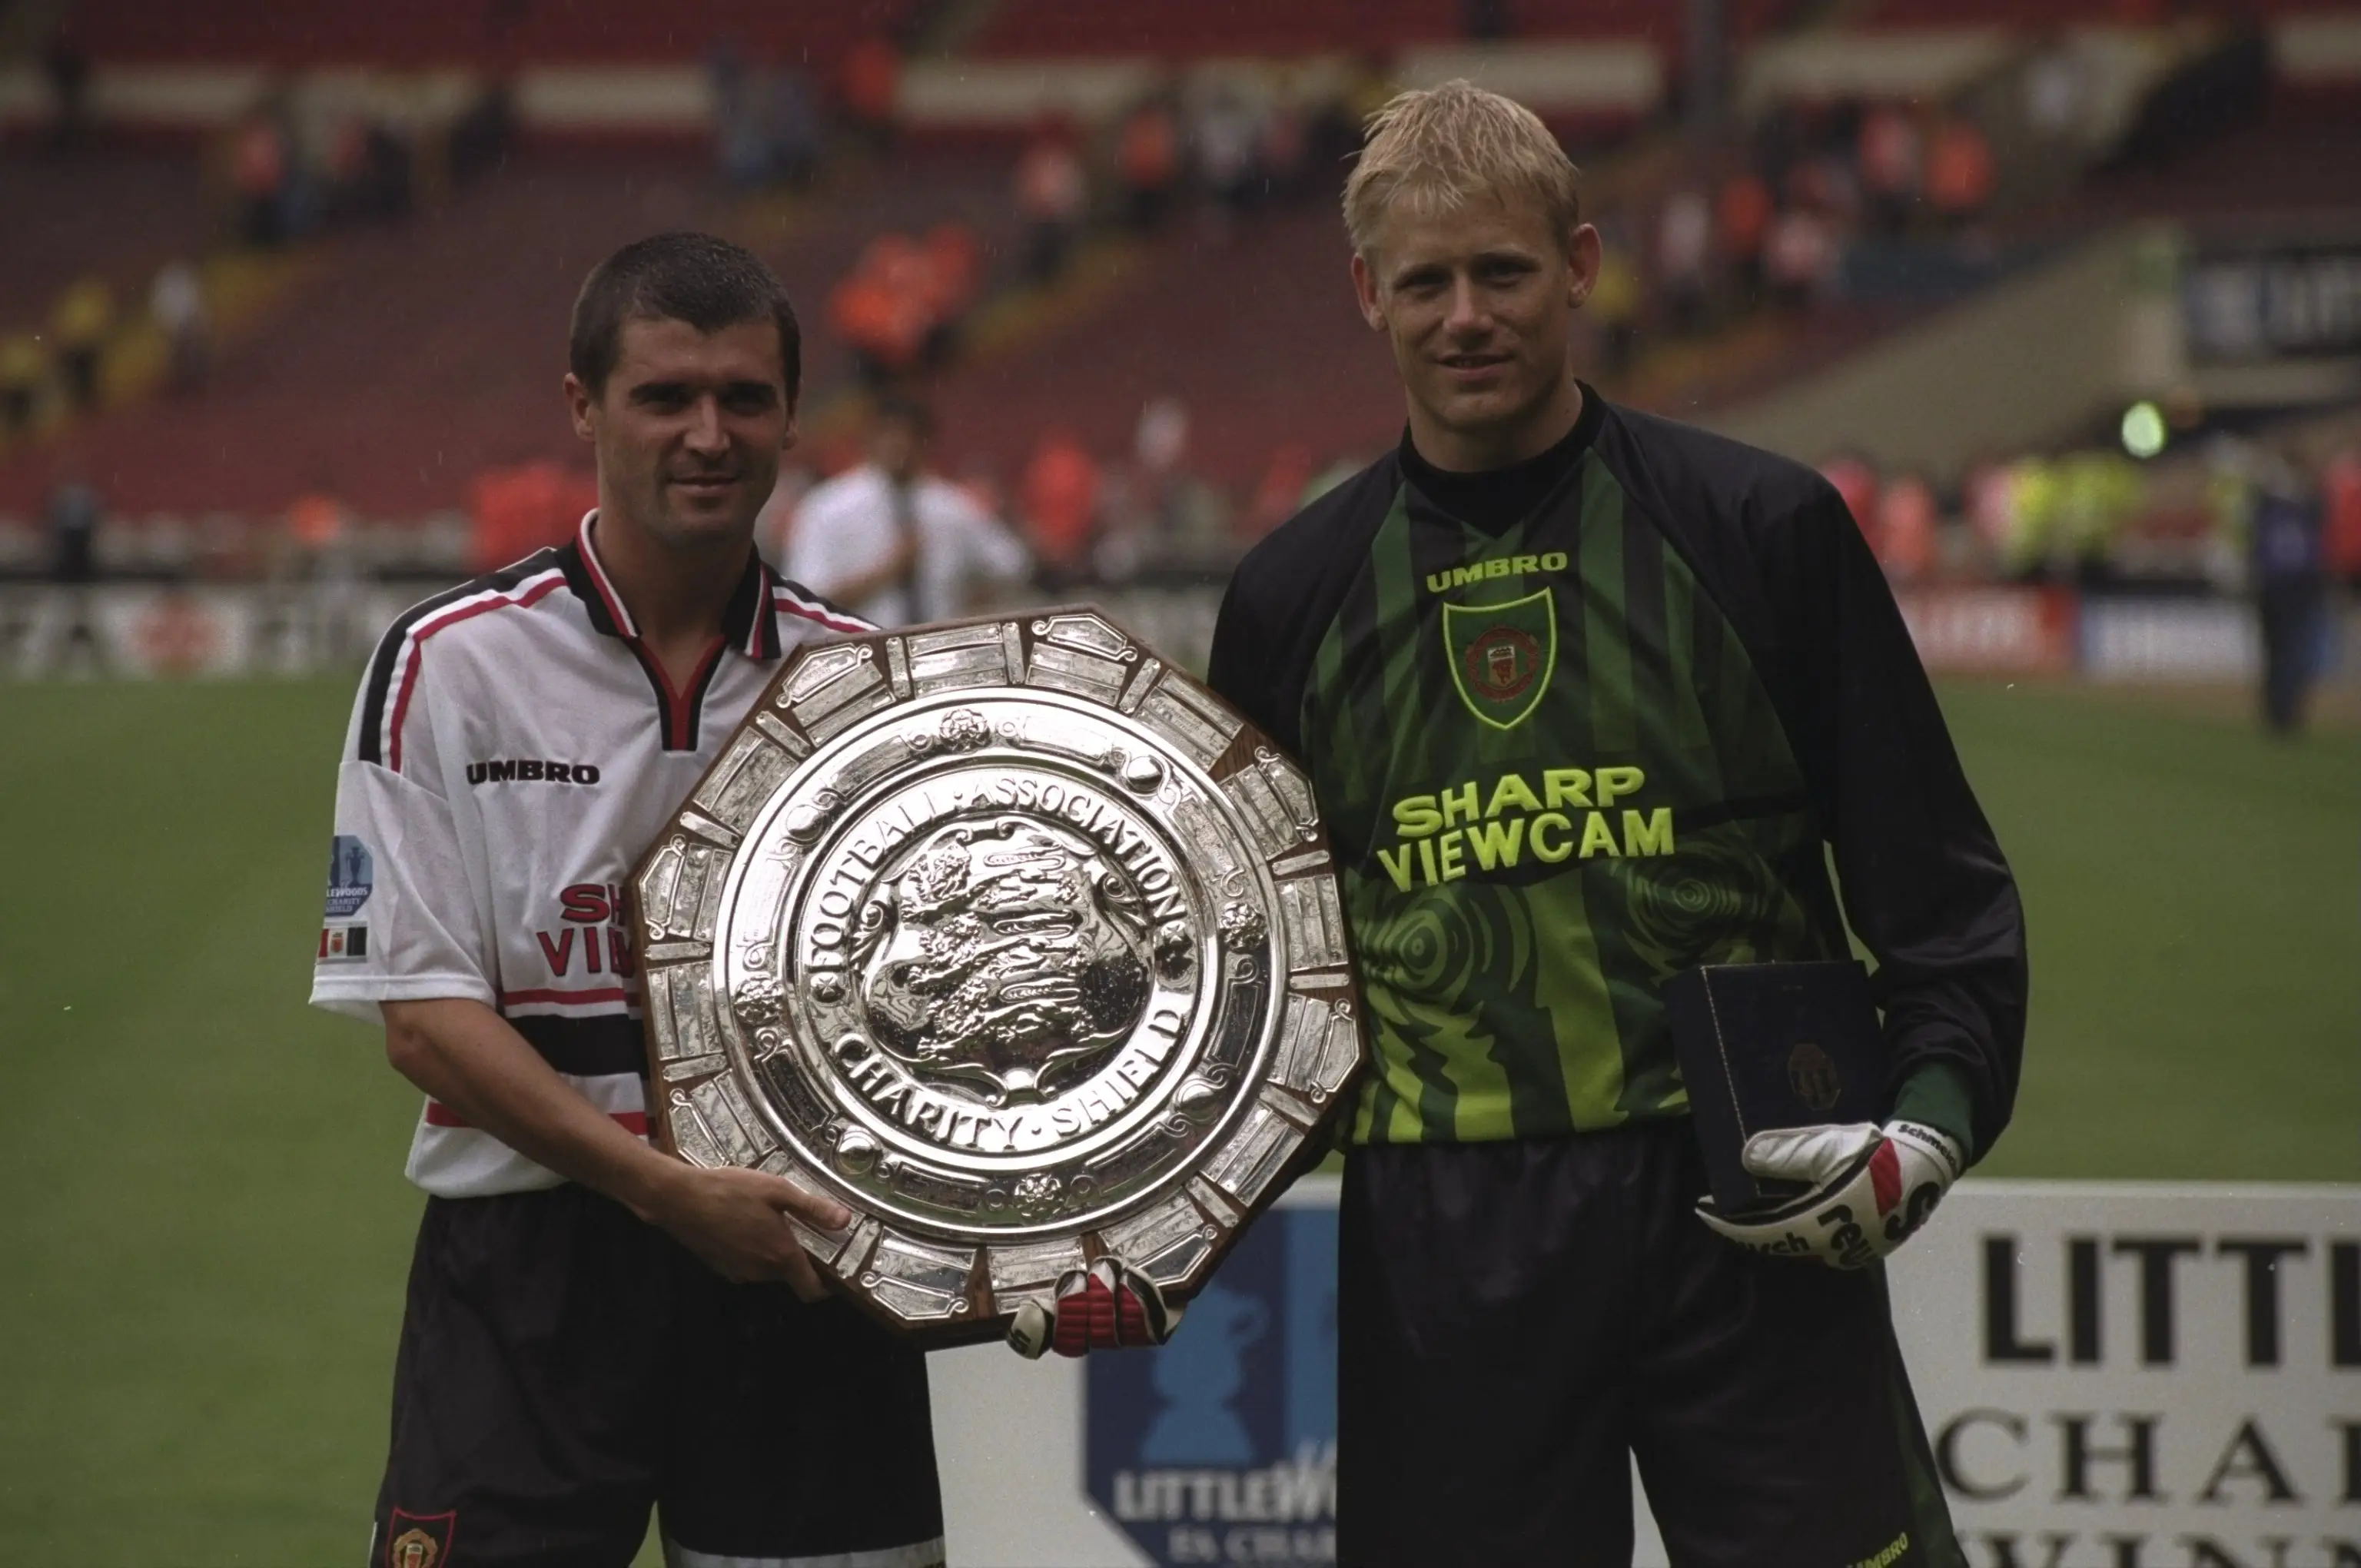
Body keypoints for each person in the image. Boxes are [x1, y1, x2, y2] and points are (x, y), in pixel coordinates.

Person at [1203, 82, 2025, 1566]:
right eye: (1426, 282)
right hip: (1446, 1234)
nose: (1466, 316)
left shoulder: (1760, 531)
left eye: (1503, 272)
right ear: (1365, 294)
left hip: (1753, 1190)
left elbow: (1935, 883)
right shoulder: (1288, 600)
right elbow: (1244, 982)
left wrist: (1929, 1125)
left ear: (1579, 266)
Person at [309, 232, 949, 1568]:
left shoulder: (869, 684)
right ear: (582, 406)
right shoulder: (450, 663)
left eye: (744, 398)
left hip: (801, 1266)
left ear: (788, 416)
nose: (707, 434)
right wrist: (665, 1193)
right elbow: (422, 1018)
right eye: (665, 397)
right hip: (531, 1268)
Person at [785, 395, 1029, 628]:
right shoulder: (828, 508)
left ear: (925, 441)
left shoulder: (952, 506)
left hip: (939, 652)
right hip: (862, 652)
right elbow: (804, 602)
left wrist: (963, 598)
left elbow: (1013, 566)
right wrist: (887, 572)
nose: (899, 444)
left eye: (909, 435)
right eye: (889, 433)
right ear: (869, 439)